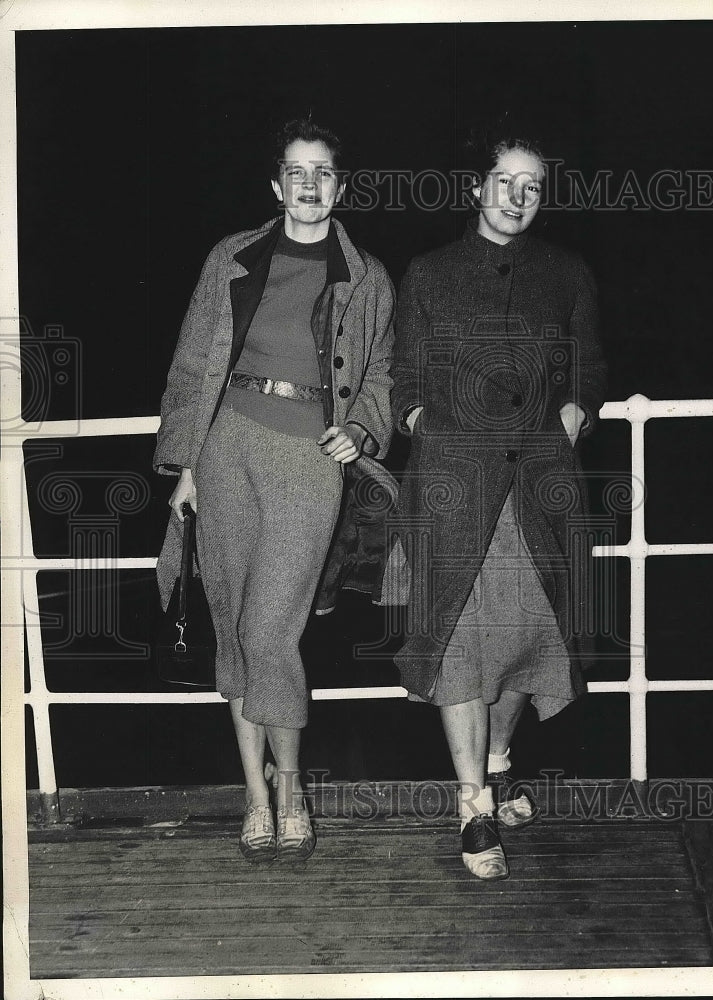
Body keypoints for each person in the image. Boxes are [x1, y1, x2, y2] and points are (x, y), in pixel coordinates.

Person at [153, 116, 395, 863]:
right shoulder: (232, 256)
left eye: (322, 171)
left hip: (306, 457)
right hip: (226, 447)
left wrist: (361, 429)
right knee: (232, 627)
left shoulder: (368, 278)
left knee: (270, 631)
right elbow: (194, 364)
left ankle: (290, 786)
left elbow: (382, 374)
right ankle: (254, 799)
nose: (309, 184)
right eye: (295, 171)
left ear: (340, 185)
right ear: (275, 184)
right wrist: (185, 462)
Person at [391, 125, 607, 880]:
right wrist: (426, 427)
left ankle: (498, 755)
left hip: (537, 489)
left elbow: (589, 370)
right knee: (458, 642)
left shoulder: (566, 271)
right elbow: (405, 382)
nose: (518, 198)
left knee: (528, 637)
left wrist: (575, 415)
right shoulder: (427, 272)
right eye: (505, 183)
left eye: (533, 186)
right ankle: (472, 806)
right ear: (476, 189)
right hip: (456, 491)